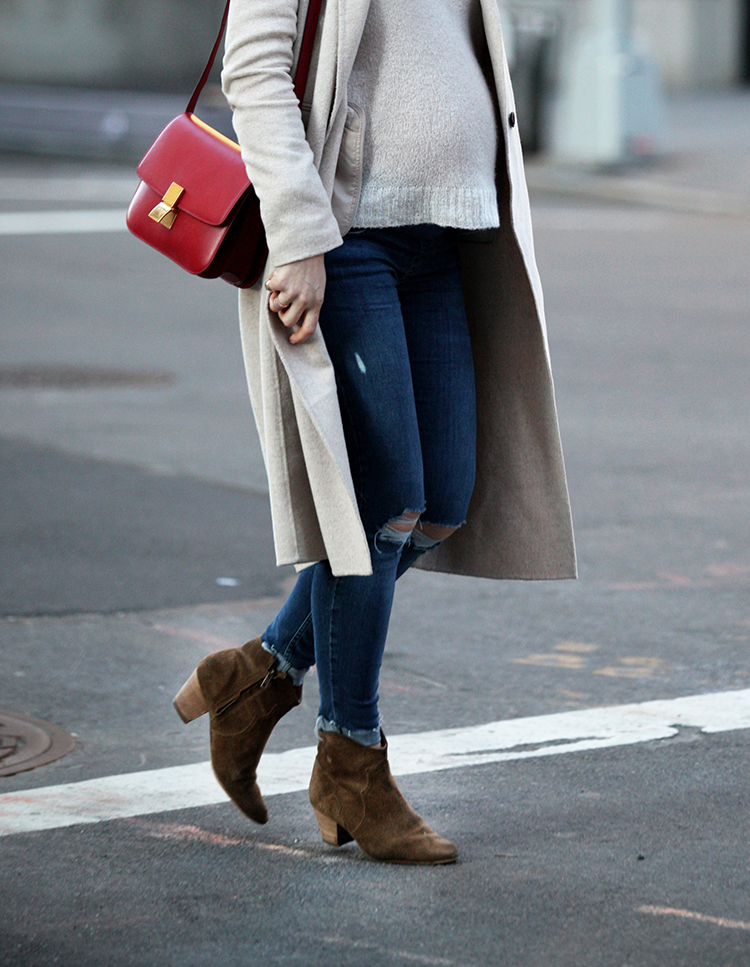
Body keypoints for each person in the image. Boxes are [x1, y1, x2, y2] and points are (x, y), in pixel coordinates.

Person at [173, 0, 576, 865]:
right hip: (348, 237)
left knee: (443, 502)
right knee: (382, 500)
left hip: (447, 237)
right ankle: (351, 757)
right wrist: (301, 236)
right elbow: (254, 66)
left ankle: (261, 674)